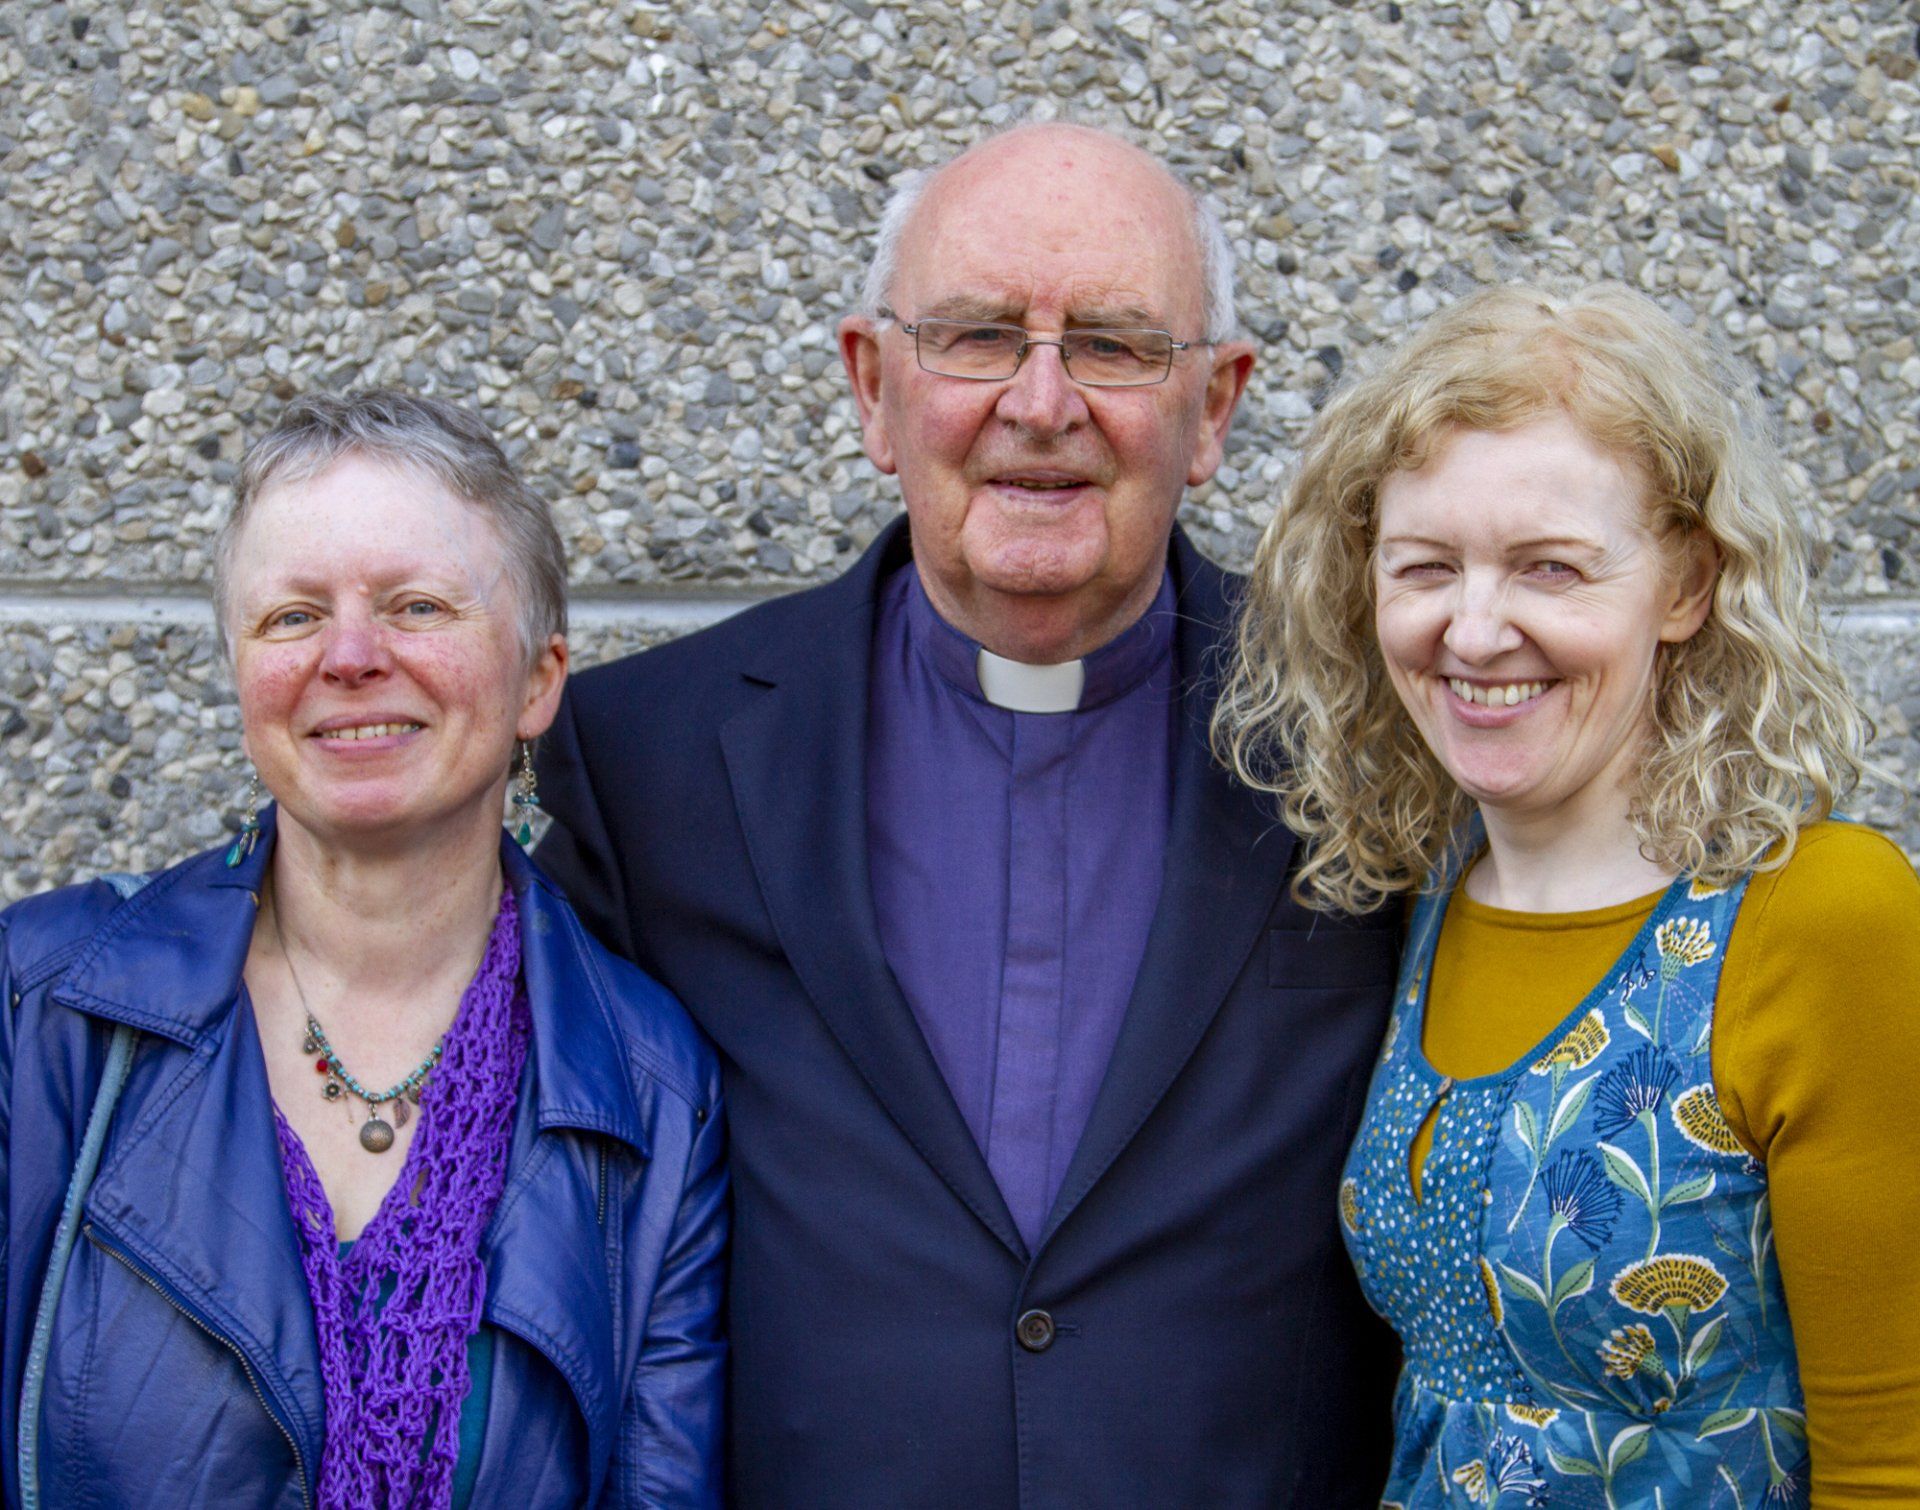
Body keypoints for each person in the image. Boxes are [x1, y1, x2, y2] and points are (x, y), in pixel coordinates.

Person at [535, 122, 1401, 1505]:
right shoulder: (650, 760)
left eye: (1114, 344)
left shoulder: (1375, 733)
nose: (1041, 403)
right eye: (979, 337)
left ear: (1215, 407)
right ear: (874, 385)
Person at [1216, 283, 1920, 1505]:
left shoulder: (1819, 917)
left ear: (1688, 583)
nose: (1475, 631)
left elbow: (1896, 1463)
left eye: (1551, 568)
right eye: (1426, 567)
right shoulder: (1422, 899)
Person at [0, 391, 726, 1508]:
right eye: (291, 617)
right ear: (242, 674)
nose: (347, 655)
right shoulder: (39, 1005)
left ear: (538, 680)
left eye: (416, 605)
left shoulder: (652, 1090)